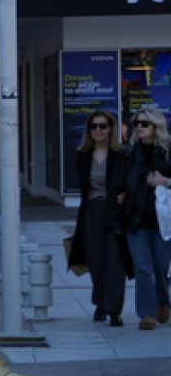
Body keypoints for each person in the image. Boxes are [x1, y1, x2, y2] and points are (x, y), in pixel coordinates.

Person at [68, 111, 129, 326]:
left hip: (114, 213)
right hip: (91, 212)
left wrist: (125, 195)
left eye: (103, 126)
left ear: (111, 129)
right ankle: (100, 303)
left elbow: (131, 181)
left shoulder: (121, 154)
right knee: (95, 261)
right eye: (93, 126)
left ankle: (114, 310)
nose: (98, 131)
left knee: (115, 262)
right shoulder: (82, 155)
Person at [119, 106, 171, 330]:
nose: (139, 127)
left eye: (144, 124)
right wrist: (120, 196)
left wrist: (166, 182)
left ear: (156, 126)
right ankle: (146, 314)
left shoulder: (168, 152)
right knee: (142, 267)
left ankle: (162, 303)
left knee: (161, 268)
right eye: (137, 123)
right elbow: (120, 182)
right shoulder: (129, 154)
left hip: (163, 220)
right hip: (136, 219)